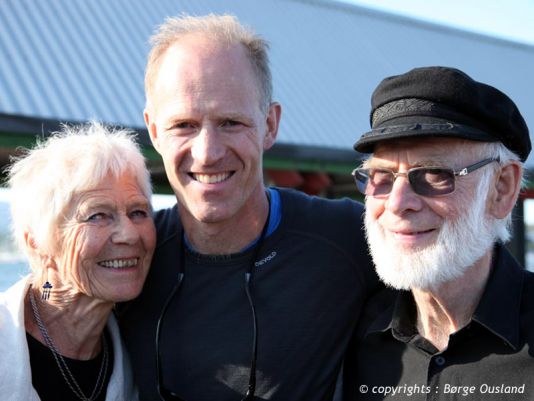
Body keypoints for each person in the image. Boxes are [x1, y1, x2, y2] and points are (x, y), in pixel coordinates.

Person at [117, 14, 377, 401]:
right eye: (184, 125)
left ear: (270, 125)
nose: (207, 153)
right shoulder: (129, 259)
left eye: (230, 122)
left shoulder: (349, 238)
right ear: (154, 131)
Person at [343, 66, 534, 400]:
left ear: (502, 189)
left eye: (433, 174)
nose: (398, 203)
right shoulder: (346, 333)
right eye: (381, 177)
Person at [0, 122, 156, 401]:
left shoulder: (142, 351)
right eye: (97, 215)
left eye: (138, 212)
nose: (129, 234)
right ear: (37, 242)